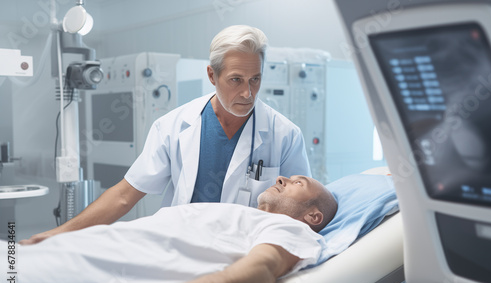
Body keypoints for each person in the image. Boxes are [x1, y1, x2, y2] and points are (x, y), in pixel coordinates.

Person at [20, 25, 310, 246]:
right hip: (178, 244)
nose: (248, 93)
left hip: (243, 249)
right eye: (236, 80)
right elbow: (124, 195)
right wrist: (56, 236)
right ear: (212, 75)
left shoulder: (283, 135)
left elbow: (301, 207)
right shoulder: (172, 126)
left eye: (255, 79)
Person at [8, 176, 336, 283]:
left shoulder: (292, 230)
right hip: (87, 249)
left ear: (313, 216)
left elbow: (265, 266)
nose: (282, 178)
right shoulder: (243, 215)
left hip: (92, 268)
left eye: (297, 183)